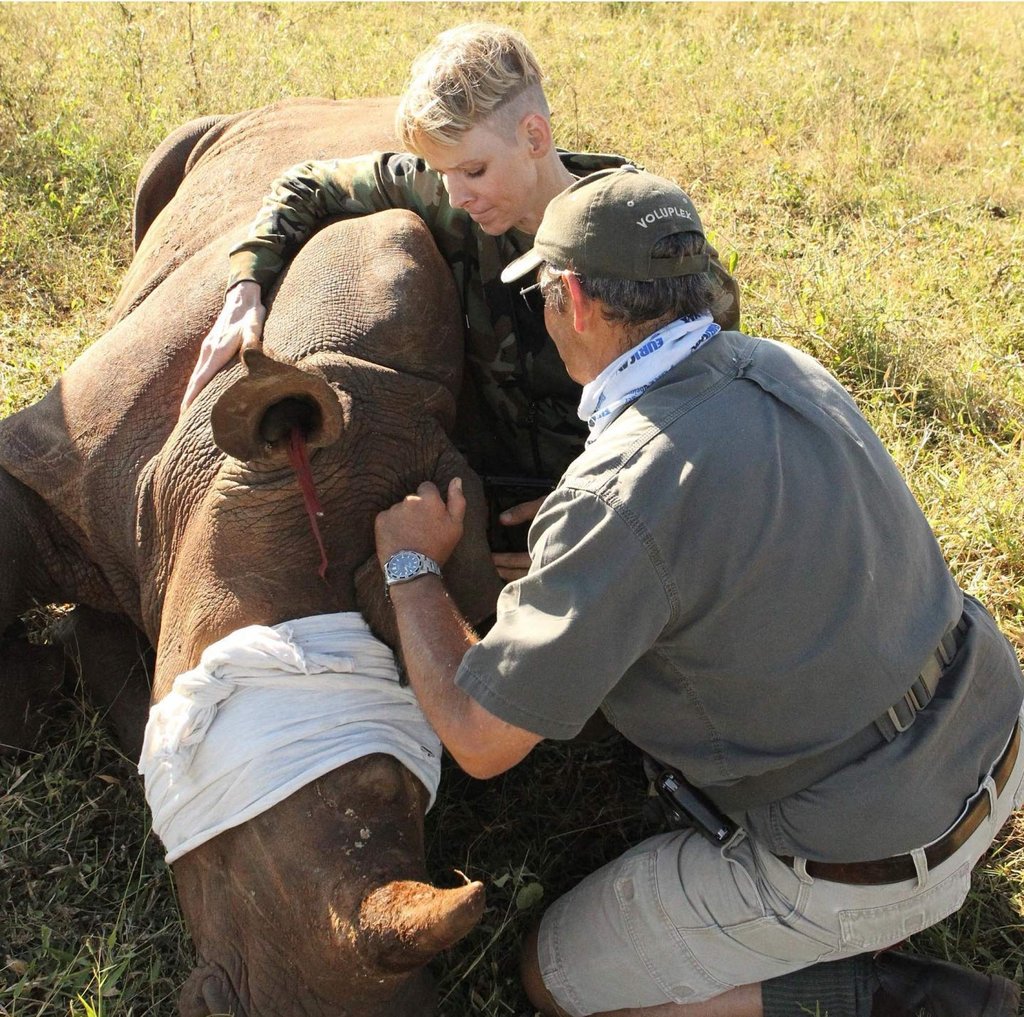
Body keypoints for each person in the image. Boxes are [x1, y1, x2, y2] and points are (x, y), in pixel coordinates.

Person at [369, 166, 1024, 1017]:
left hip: (869, 854)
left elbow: (478, 738)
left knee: (552, 976)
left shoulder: (617, 494)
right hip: (992, 746)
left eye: (544, 297)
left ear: (574, 296)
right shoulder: (781, 363)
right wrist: (603, 558)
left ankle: (882, 994)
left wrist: (412, 566)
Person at [178, 22, 740, 578]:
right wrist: (246, 288)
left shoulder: (647, 242)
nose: (456, 195)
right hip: (480, 495)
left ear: (535, 137)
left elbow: (706, 421)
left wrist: (600, 516)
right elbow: (305, 185)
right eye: (445, 173)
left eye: (473, 170)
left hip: (613, 499)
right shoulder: (454, 196)